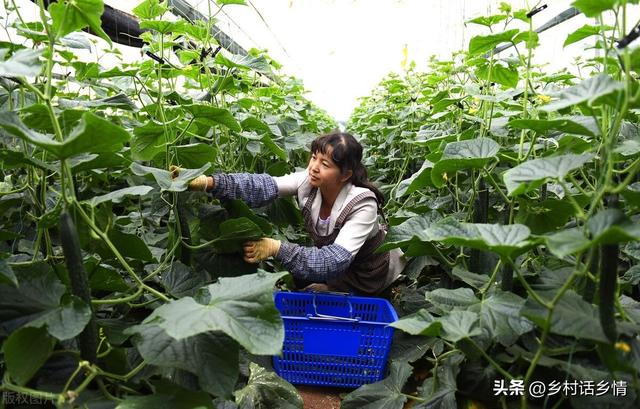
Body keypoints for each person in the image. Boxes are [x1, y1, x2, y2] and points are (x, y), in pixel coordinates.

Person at [180, 132, 404, 296]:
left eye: (324, 163)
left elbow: (334, 261)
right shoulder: (308, 180)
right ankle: (330, 288)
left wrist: (277, 248)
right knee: (303, 280)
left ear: (345, 175)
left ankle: (337, 290)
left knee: (325, 293)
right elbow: (261, 186)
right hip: (336, 268)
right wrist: (209, 182)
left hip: (368, 274)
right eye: (314, 157)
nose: (314, 167)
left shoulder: (362, 203)